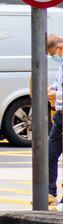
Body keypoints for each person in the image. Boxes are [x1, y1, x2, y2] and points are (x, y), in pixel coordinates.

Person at [49, 34, 63, 203]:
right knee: (50, 154)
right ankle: (50, 192)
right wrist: (52, 87)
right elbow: (58, 82)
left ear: (60, 48)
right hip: (59, 115)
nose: (53, 57)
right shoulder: (61, 63)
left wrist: (56, 94)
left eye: (52, 53)